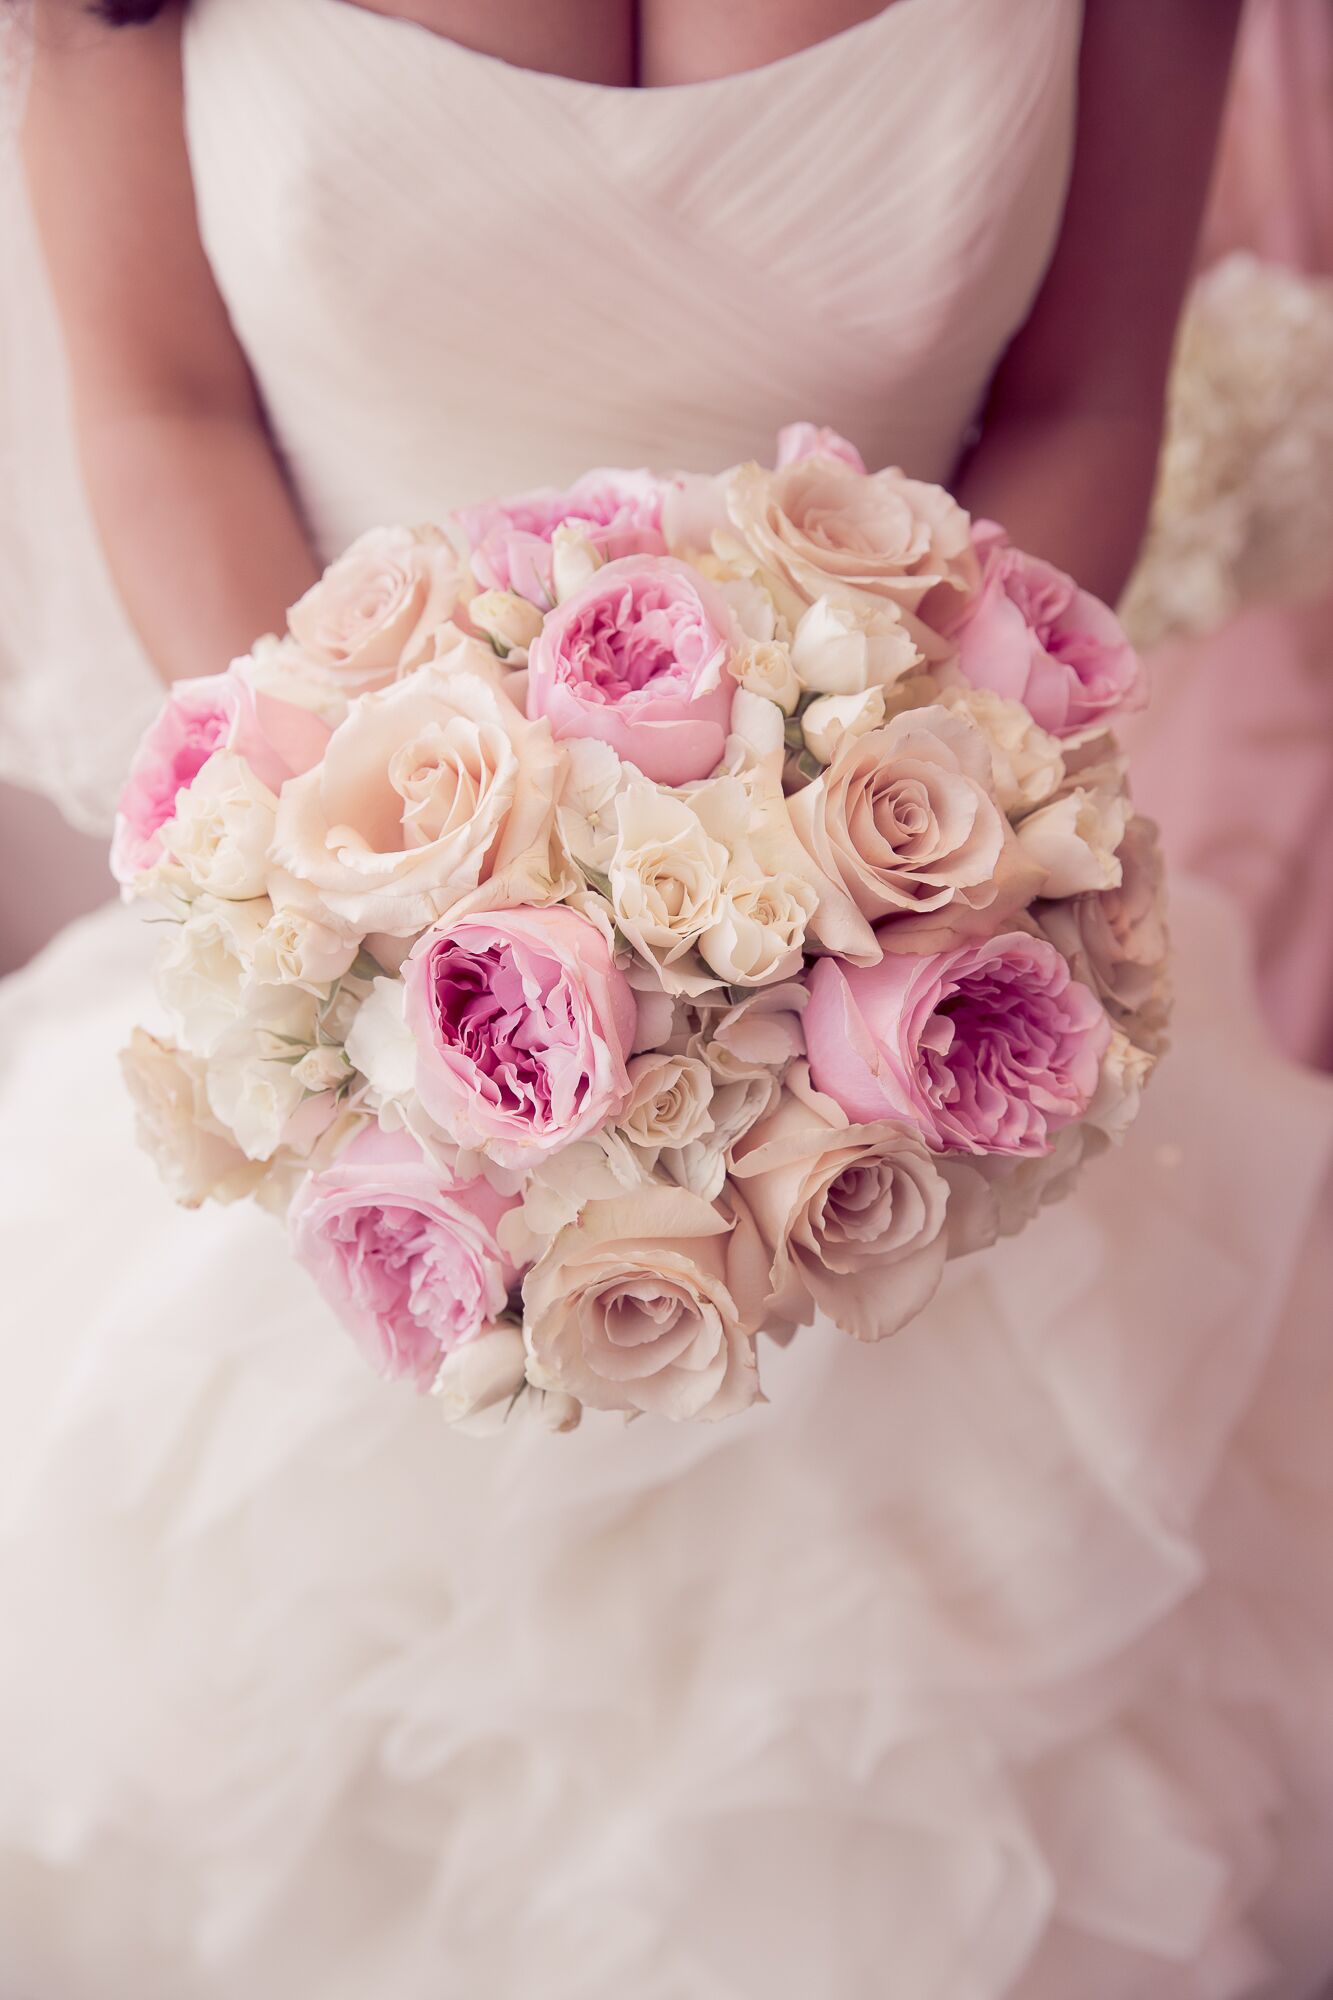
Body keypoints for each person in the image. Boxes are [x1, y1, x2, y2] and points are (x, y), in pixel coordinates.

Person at [1, 2, 1331, 1994]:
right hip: (354, 951)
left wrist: (881, 855)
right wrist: (373, 877)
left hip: (904, 991)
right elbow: (161, 408)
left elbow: (1077, 400)